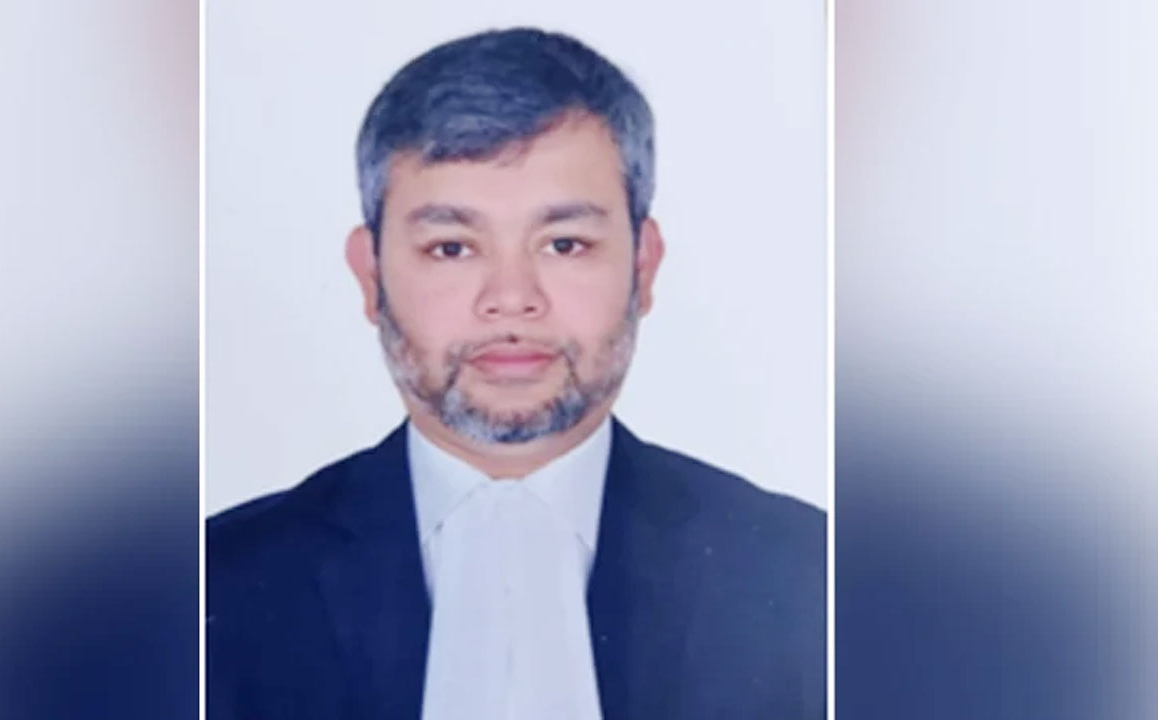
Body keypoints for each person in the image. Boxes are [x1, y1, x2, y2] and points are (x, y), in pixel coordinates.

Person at [207, 27, 825, 720]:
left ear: (643, 266)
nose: (510, 297)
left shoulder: (811, 578)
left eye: (564, 244)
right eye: (452, 247)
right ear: (370, 276)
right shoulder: (211, 589)